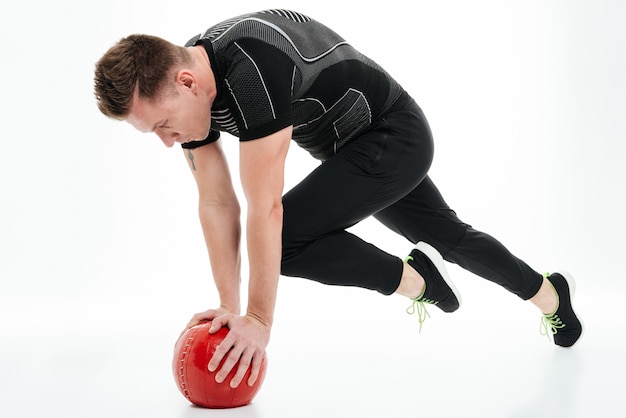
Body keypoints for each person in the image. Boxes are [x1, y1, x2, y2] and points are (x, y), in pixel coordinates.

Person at [93, 9, 582, 389]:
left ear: (185, 83)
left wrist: (259, 320)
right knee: (447, 234)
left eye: (161, 125)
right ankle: (550, 294)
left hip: (394, 135)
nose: (166, 141)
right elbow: (217, 203)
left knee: (284, 242)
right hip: (353, 151)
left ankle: (417, 279)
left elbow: (265, 208)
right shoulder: (194, 88)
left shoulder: (249, 70)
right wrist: (229, 303)